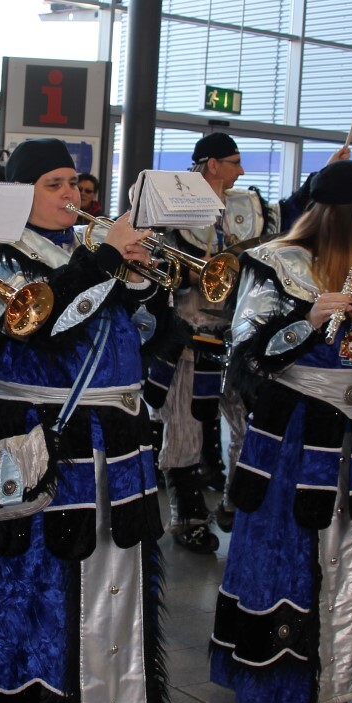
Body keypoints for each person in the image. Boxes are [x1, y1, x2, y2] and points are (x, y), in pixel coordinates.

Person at [0, 137, 171, 703]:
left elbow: (147, 340)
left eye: (74, 183)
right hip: (38, 448)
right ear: (21, 193)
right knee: (31, 595)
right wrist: (107, 260)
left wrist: (138, 285)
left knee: (113, 581)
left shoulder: (85, 250)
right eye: (54, 184)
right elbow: (43, 327)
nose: (71, 194)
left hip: (114, 447)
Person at [210, 159, 352, 703]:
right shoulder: (275, 263)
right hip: (292, 427)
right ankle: (276, 683)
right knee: (284, 543)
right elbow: (246, 357)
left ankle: (341, 676)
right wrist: (306, 323)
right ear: (337, 214)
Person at [150, 131, 278, 552]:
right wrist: (186, 274)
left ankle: (235, 502)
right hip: (189, 336)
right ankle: (186, 516)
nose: (242, 170)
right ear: (213, 165)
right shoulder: (171, 203)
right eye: (235, 161)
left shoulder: (246, 206)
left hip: (237, 336)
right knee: (183, 426)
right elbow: (152, 261)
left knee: (250, 423)